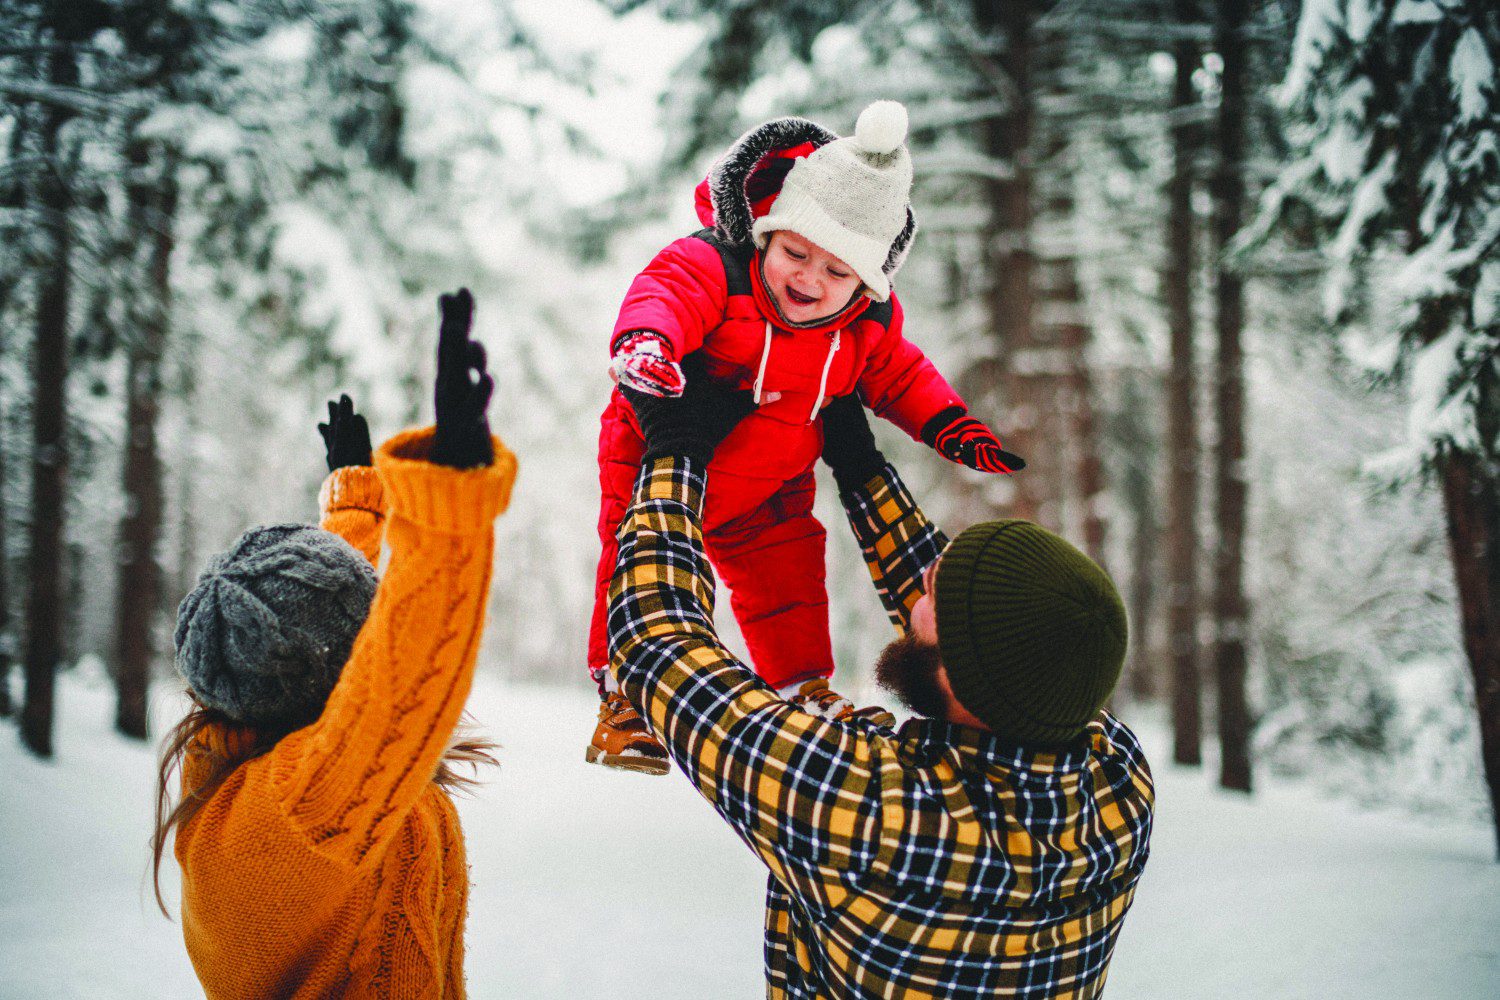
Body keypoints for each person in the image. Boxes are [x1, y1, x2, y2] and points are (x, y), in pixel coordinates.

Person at [607, 370, 1154, 998]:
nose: (922, 585)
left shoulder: (870, 811)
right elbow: (978, 635)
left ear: (963, 676)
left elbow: (656, 644)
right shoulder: (1118, 784)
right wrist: (862, 468)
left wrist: (675, 452)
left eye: (933, 599)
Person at [588, 99, 1025, 773]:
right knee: (636, 557)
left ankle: (801, 687)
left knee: (791, 576)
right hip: (670, 451)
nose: (809, 280)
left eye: (837, 271)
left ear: (866, 281)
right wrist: (649, 344)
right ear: (765, 232)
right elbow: (665, 293)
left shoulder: (862, 328)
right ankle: (624, 693)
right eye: (796, 252)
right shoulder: (717, 267)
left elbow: (901, 375)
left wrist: (950, 426)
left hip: (773, 488)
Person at [151, 290, 518, 999]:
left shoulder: (251, 735)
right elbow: (400, 674)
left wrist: (354, 506)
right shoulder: (297, 808)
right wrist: (447, 497)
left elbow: (316, 625)